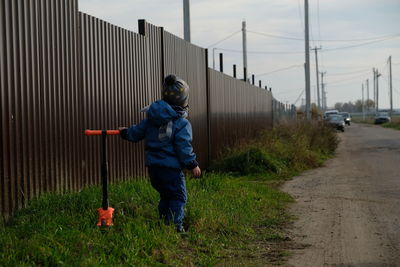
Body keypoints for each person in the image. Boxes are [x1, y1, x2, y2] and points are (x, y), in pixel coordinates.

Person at [120, 74, 201, 232]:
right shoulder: (182, 122)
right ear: (184, 99)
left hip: (153, 169)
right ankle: (175, 227)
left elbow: (135, 133)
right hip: (171, 170)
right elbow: (183, 146)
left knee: (166, 196)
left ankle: (164, 223)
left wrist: (124, 132)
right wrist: (192, 164)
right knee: (178, 197)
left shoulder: (151, 117)